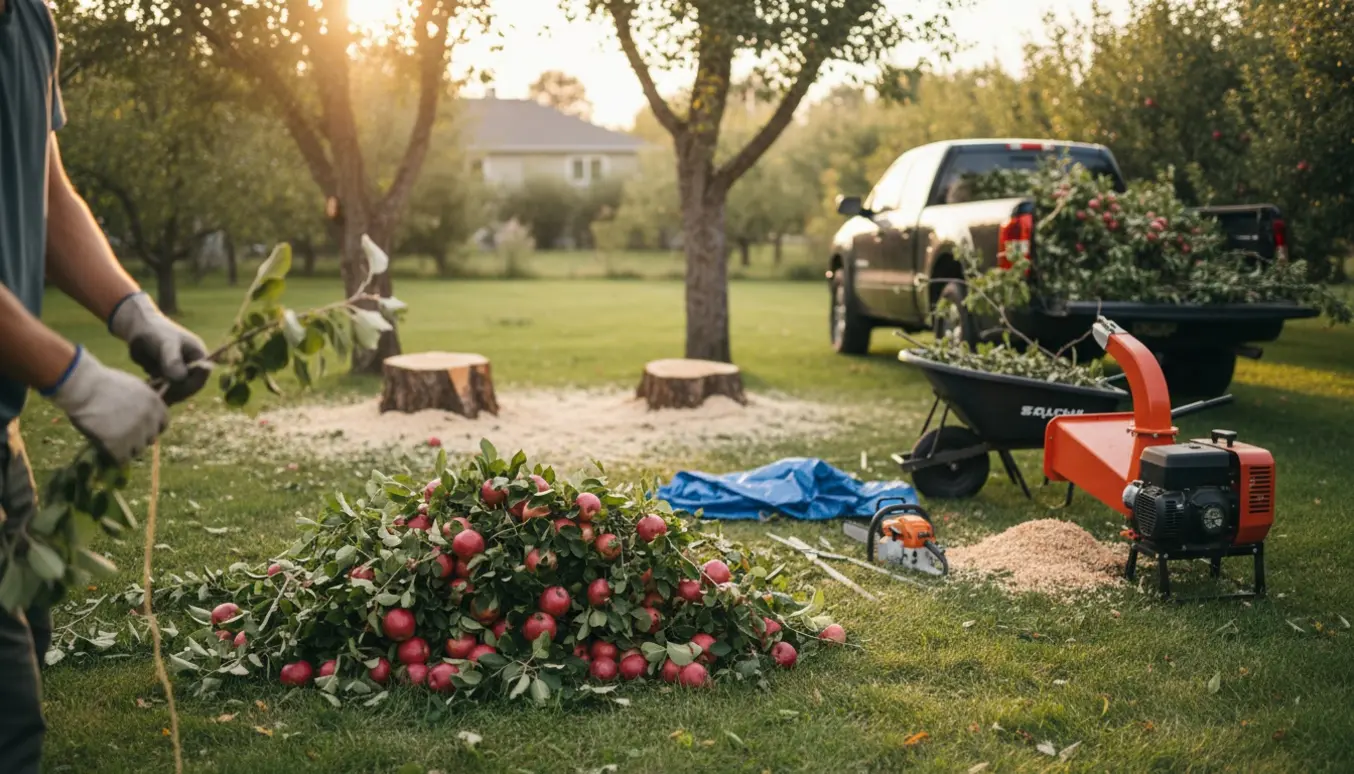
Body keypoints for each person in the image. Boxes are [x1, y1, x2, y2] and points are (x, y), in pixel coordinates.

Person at [1, 1, 210, 770]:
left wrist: (134, 313)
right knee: (7, 713)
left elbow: (48, 191)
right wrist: (77, 380)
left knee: (30, 624)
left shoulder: (31, 20)